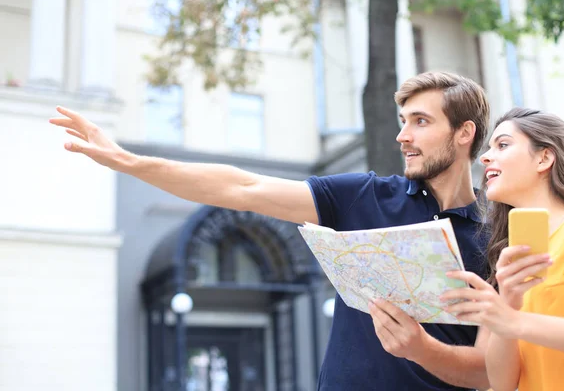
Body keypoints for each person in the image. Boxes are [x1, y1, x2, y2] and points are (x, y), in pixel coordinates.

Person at [50, 71, 492, 390]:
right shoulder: (364, 197)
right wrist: (127, 161)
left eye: (420, 121)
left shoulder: (494, 238)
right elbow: (242, 187)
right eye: (402, 121)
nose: (402, 136)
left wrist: (419, 347)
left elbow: (490, 371)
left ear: (463, 134)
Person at [441, 107, 564, 391]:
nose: (485, 157)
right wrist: (508, 304)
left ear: (544, 158)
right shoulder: (512, 259)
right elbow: (501, 383)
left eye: (503, 145)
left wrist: (515, 320)